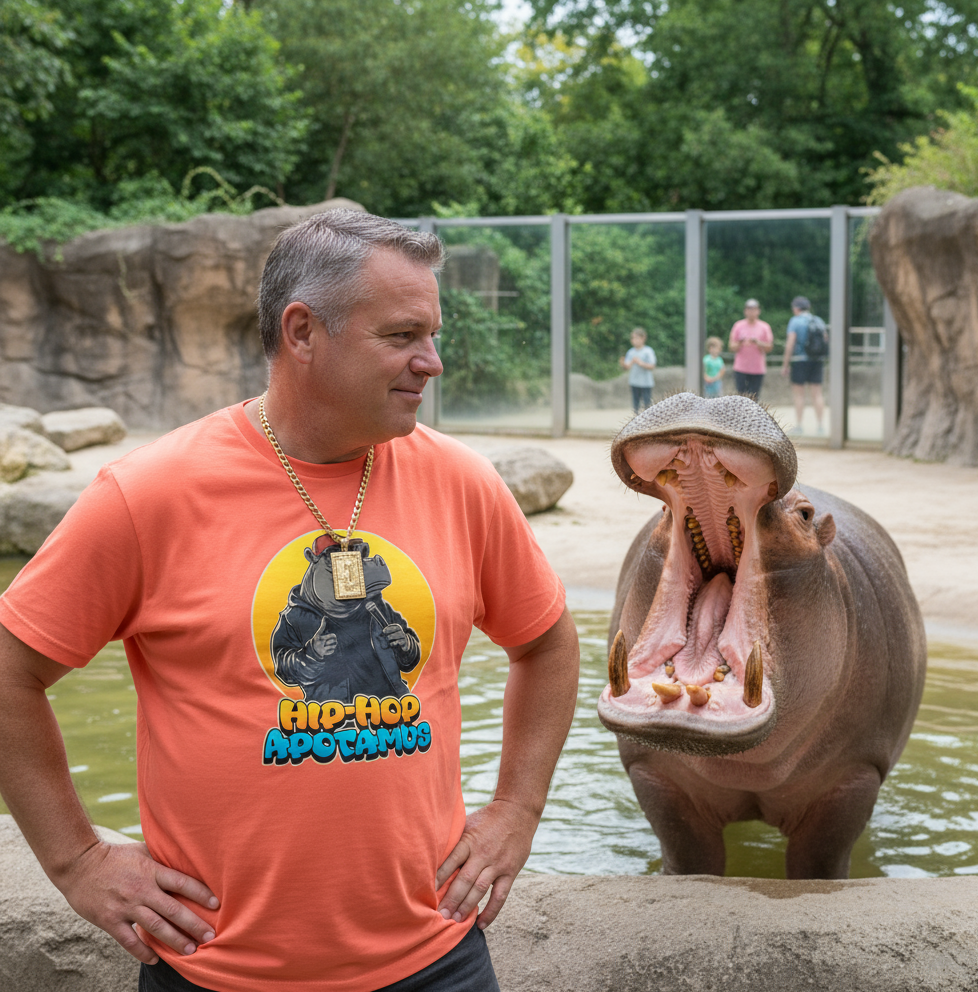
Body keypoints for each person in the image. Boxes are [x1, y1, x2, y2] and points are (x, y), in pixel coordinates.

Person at [0, 211, 580, 992]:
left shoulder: (463, 483)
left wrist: (517, 808)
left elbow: (545, 643)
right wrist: (77, 860)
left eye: (434, 334)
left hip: (438, 959)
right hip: (215, 970)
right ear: (303, 331)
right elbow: (10, 671)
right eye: (404, 335)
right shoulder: (147, 496)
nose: (432, 362)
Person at [781, 294, 827, 435]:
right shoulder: (818, 320)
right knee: (817, 394)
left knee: (799, 395)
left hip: (800, 360)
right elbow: (825, 340)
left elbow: (790, 344)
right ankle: (820, 426)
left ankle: (799, 426)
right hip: (817, 361)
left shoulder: (795, 321)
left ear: (796, 308)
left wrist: (785, 364)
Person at [728, 298, 773, 398]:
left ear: (758, 311)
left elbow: (769, 347)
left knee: (754, 398)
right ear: (745, 311)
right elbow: (731, 346)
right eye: (749, 309)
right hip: (741, 368)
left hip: (757, 368)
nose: (751, 312)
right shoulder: (738, 326)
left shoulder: (764, 327)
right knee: (741, 397)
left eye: (754, 309)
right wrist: (740, 342)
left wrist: (758, 343)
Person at [620, 327, 656, 412]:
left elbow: (652, 365)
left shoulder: (648, 351)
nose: (634, 340)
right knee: (635, 406)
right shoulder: (630, 352)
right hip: (634, 382)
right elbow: (626, 367)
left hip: (646, 383)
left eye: (636, 338)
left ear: (643, 338)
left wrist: (641, 363)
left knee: (647, 405)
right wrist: (623, 364)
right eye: (632, 338)